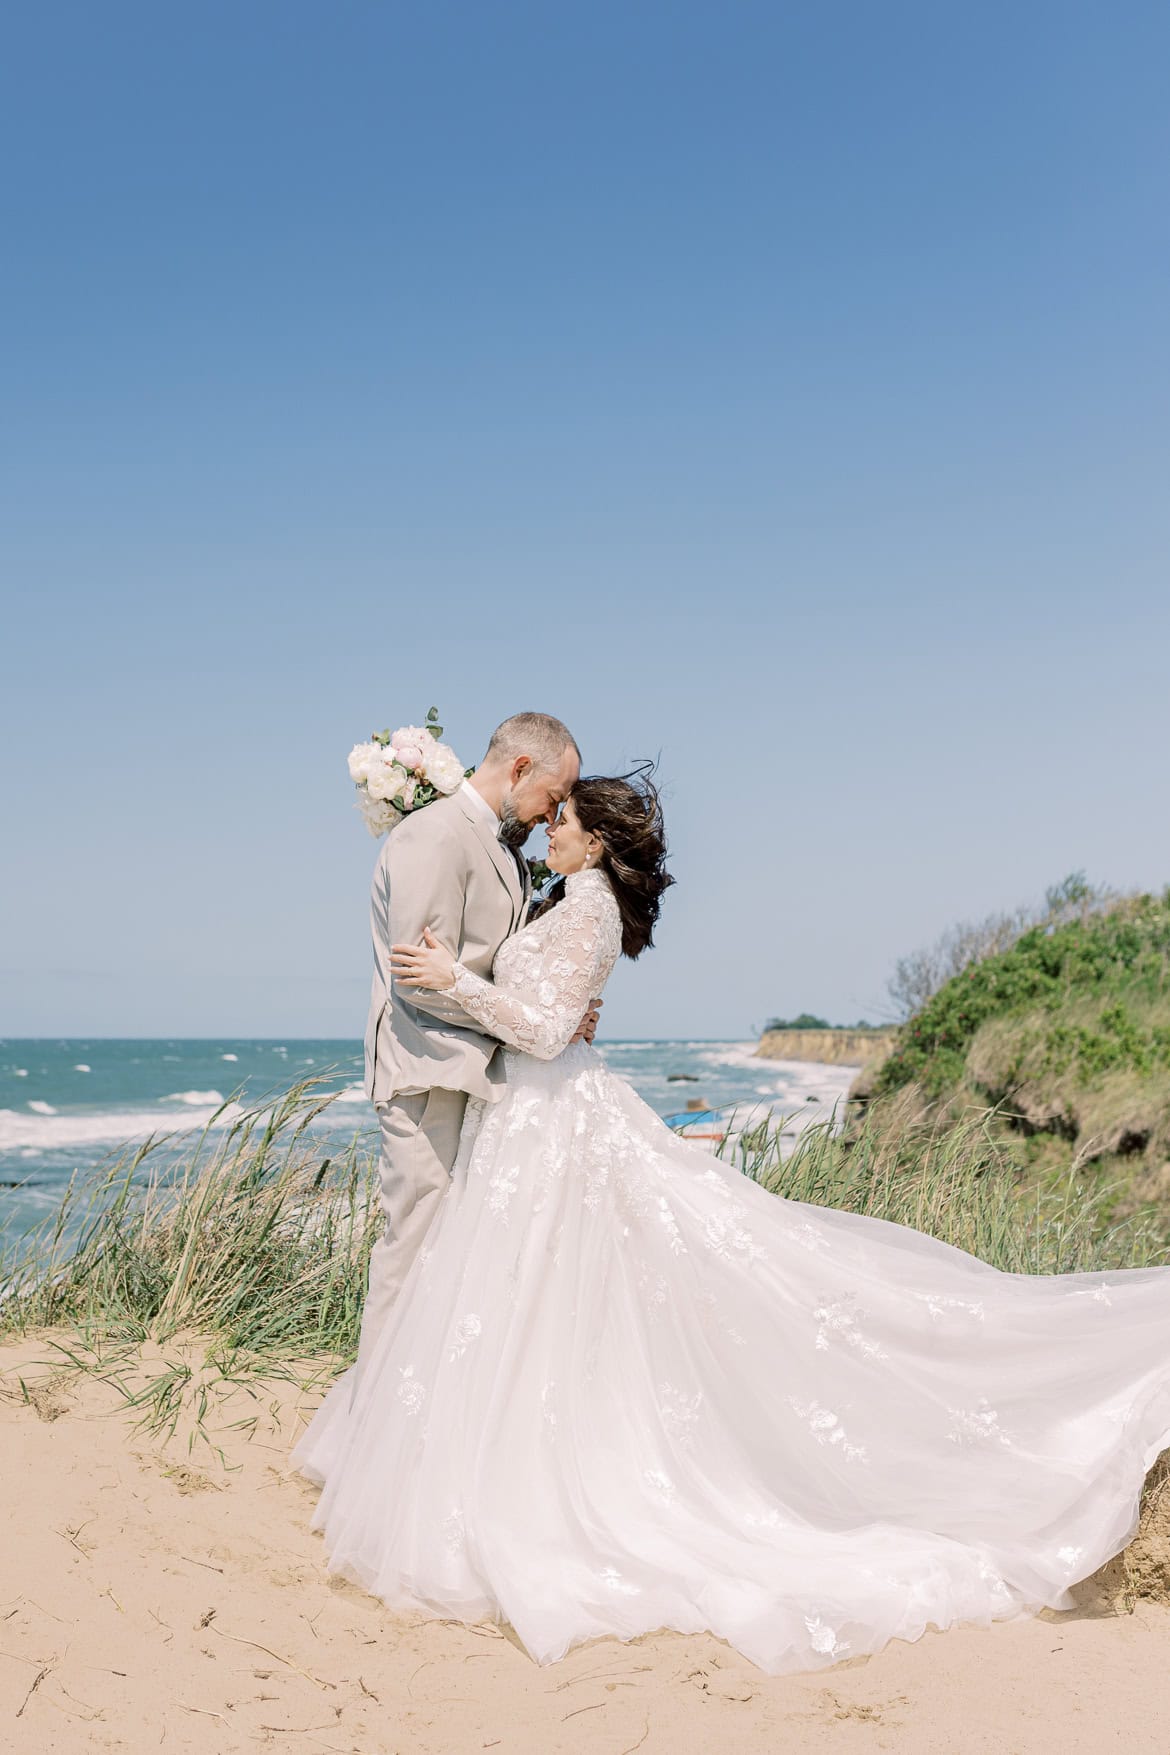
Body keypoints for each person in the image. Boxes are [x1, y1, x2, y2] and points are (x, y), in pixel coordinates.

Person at [293, 768, 1170, 1678]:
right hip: (530, 1122)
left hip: (550, 1116)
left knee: (558, 1290)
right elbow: (550, 1009)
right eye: (551, 814)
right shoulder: (569, 897)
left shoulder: (589, 910)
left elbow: (547, 1031)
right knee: (536, 1301)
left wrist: (448, 981)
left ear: (596, 842)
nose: (547, 828)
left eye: (562, 820)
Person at [352, 710, 595, 1393]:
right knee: (414, 1249)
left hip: (478, 1075)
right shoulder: (433, 835)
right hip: (426, 1073)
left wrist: (557, 1005)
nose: (555, 815)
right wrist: (527, 1026)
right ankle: (371, 1425)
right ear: (519, 770)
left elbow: (495, 965)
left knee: (455, 1258)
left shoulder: (504, 850)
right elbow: (421, 979)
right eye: (553, 795)